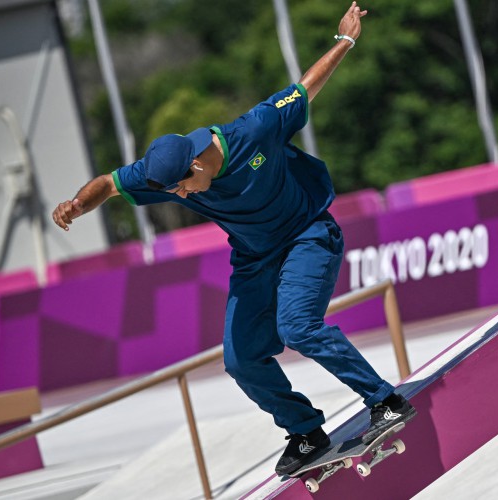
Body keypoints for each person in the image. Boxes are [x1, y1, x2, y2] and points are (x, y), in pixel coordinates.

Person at [52, 2, 416, 476]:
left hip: (307, 235)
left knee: (298, 327)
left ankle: (384, 400)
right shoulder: (164, 168)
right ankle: (305, 431)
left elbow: (305, 89)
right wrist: (79, 204)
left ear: (198, 162)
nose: (180, 196)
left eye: (183, 186)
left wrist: (344, 40)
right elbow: (111, 182)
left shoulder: (256, 130)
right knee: (241, 358)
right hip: (254, 258)